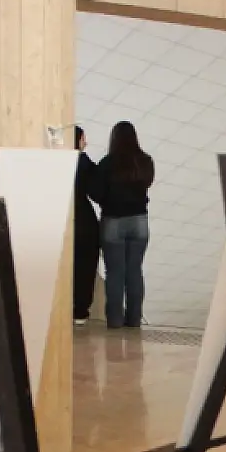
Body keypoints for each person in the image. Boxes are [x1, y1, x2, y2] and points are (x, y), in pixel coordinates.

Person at [88, 121, 155, 329]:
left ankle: (115, 321)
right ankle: (134, 319)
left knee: (115, 273)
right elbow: (147, 183)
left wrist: (108, 201)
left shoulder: (107, 163)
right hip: (139, 221)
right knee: (135, 270)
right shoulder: (145, 161)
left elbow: (94, 191)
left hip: (113, 221)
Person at [72, 126, 101, 324]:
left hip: (61, 217)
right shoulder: (84, 163)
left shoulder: (52, 162)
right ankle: (80, 310)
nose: (86, 143)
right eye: (84, 139)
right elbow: (97, 192)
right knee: (85, 265)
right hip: (84, 219)